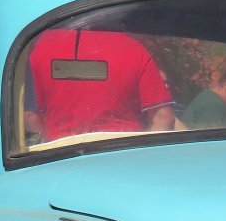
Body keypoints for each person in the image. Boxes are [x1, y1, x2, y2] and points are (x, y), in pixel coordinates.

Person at [26, 28, 175, 140]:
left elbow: (29, 116)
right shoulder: (134, 49)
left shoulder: (41, 49)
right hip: (124, 154)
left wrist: (48, 147)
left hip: (59, 157)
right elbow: (163, 118)